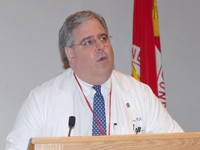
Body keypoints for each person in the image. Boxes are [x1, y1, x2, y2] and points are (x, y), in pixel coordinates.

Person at [5, 10, 183, 149]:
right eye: (88, 42)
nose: (100, 47)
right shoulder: (42, 100)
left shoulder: (139, 93)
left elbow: (178, 144)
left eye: (103, 38)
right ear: (70, 54)